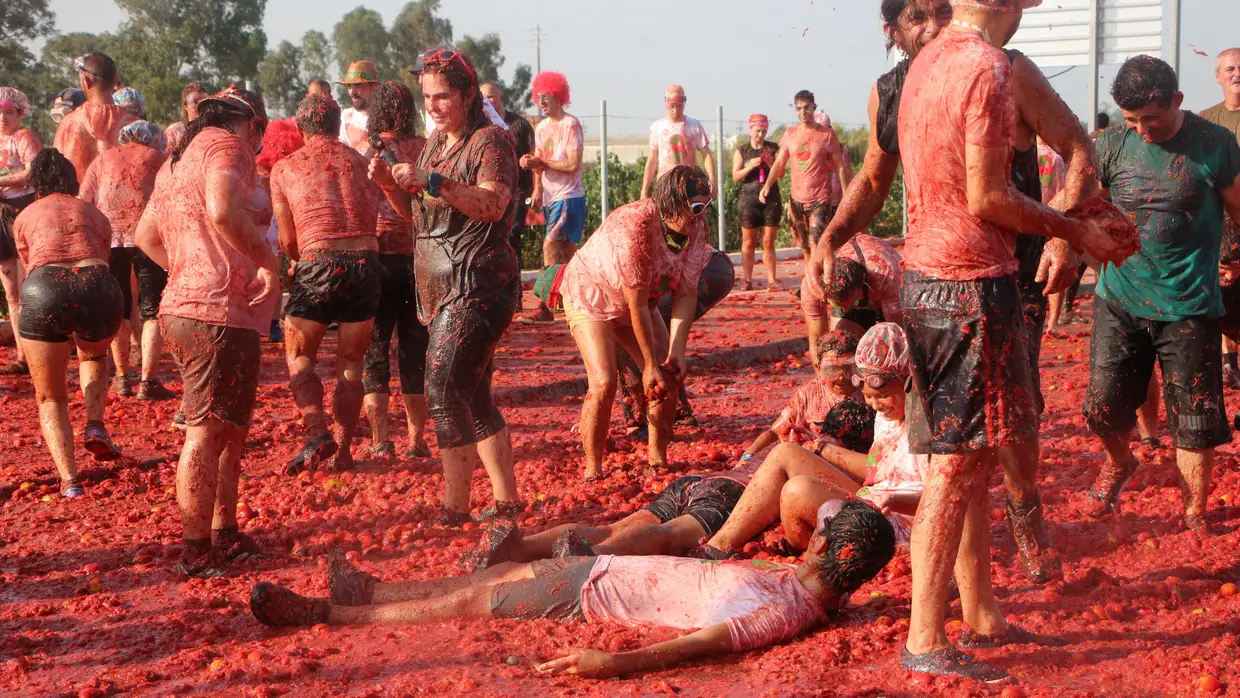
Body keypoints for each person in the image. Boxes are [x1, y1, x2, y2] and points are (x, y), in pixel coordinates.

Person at [816, 0, 1104, 587]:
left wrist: (1063, 239)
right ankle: (960, 599)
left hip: (1011, 275)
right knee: (954, 447)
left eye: (938, 12)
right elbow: (874, 178)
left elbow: (1076, 150)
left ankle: (1028, 539)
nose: (930, 27)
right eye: (916, 17)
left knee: (1013, 431)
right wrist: (830, 236)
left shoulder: (1004, 68)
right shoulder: (896, 88)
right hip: (940, 282)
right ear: (891, 30)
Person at [893, 0, 1135, 681]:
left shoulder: (928, 60)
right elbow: (988, 197)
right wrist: (1074, 231)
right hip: (970, 280)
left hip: (924, 277)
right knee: (959, 465)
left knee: (963, 454)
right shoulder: (988, 66)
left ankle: (981, 614)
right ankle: (924, 639)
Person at [250, 501, 896, 681]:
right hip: (604, 579)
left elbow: (705, 645)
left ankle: (329, 613)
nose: (812, 532)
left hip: (598, 594)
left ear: (831, 550)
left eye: (824, 532)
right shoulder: (807, 594)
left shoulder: (785, 609)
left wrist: (612, 665)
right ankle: (375, 591)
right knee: (491, 582)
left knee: (479, 598)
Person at [1084, 55, 1240, 536]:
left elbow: (1239, 208)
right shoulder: (1110, 145)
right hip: (1121, 297)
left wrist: (1233, 255)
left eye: (1152, 118)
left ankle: (1194, 512)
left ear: (1177, 101)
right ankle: (1121, 461)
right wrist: (1066, 243)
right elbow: (1078, 205)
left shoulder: (1215, 144)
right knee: (1103, 409)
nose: (1143, 130)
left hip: (1190, 303)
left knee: (1194, 418)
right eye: (1132, 120)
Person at [369, 48, 522, 525]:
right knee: (472, 395)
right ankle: (507, 502)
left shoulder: (490, 142)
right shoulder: (437, 143)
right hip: (443, 287)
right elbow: (418, 221)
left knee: (440, 389)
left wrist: (434, 181)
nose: (432, 106)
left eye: (443, 97)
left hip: (479, 284)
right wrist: (391, 188)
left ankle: (455, 508)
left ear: (468, 94)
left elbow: (493, 206)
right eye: (428, 97)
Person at [461, 397, 875, 572]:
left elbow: (764, 442)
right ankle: (592, 556)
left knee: (614, 523)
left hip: (702, 480)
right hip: (733, 498)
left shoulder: (795, 437)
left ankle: (521, 546)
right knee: (671, 535)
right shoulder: (828, 461)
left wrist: (748, 455)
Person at [135, 85, 278, 576]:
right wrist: (266, 263)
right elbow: (222, 210)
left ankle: (226, 534)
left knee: (230, 430)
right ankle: (195, 552)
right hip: (214, 311)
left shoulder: (177, 158)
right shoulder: (227, 146)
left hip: (190, 306)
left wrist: (189, 267)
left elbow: (144, 236)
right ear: (252, 123)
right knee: (205, 431)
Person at [707, 323, 925, 556]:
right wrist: (819, 447)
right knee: (786, 452)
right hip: (876, 499)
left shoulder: (927, 424)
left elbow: (945, 495)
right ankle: (719, 545)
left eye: (883, 396)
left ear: (909, 382)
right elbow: (878, 468)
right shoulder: (884, 415)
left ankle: (803, 554)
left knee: (797, 490)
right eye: (869, 397)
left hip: (904, 521)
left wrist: (893, 499)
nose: (875, 405)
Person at [558, 166, 713, 479]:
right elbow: (637, 303)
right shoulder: (636, 227)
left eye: (706, 207)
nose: (700, 216)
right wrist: (648, 366)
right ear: (672, 204)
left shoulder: (695, 229)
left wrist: (676, 353)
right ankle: (593, 467)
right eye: (696, 208)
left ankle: (657, 459)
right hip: (590, 294)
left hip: (639, 300)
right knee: (603, 382)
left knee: (667, 376)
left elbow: (686, 293)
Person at [271, 94, 382, 474]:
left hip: (318, 261)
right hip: (366, 263)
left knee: (300, 356)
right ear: (338, 126)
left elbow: (288, 242)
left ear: (300, 129)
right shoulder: (362, 162)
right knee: (352, 363)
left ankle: (316, 430)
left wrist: (298, 263)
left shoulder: (285, 168)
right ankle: (344, 450)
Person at [12, 148, 124, 498]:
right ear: (73, 180)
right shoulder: (94, 213)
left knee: (51, 398)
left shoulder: (25, 215)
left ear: (37, 184)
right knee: (92, 355)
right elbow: (103, 255)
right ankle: (95, 425)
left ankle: (70, 481)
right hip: (98, 285)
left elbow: (29, 263)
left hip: (45, 288)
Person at [361, 81, 431, 461]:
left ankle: (380, 438)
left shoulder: (367, 150)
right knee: (413, 350)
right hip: (418, 257)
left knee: (375, 349)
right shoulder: (424, 148)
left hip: (377, 254)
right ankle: (417, 440)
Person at [79, 120, 174, 400]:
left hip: (112, 239)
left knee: (118, 309)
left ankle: (121, 377)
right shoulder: (160, 158)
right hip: (149, 239)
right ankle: (149, 381)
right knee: (152, 310)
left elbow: (84, 200)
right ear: (154, 140)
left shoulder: (102, 158)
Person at [615, 248, 735, 431]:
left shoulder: (594, 287)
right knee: (643, 334)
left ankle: (646, 419)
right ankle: (668, 413)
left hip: (701, 269)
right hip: (714, 264)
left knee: (632, 335)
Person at [519, 72, 586, 324]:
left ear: (559, 96)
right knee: (568, 252)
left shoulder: (571, 125)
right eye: (538, 97)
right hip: (550, 197)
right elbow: (540, 163)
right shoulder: (542, 127)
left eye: (545, 97)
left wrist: (541, 161)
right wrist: (537, 188)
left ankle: (545, 306)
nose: (541, 102)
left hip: (567, 196)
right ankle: (576, 300)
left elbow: (572, 164)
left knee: (550, 245)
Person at [740, 330, 863, 459]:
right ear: (819, 369)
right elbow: (775, 432)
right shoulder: (809, 394)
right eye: (831, 370)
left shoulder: (870, 393)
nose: (841, 378)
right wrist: (747, 457)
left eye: (849, 369)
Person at [761, 91, 852, 256]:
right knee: (805, 247)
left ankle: (818, 280)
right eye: (799, 108)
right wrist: (767, 185)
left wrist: (846, 193)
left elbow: (840, 166)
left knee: (816, 243)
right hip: (797, 199)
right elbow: (780, 163)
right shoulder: (790, 134)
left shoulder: (827, 135)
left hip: (820, 198)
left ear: (814, 108)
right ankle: (811, 279)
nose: (803, 112)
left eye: (807, 107)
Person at [1201, 49, 1240, 389]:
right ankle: (1227, 363)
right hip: (1216, 224)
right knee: (1222, 291)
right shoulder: (1204, 122)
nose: (1237, 73)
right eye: (1230, 68)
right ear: (1218, 76)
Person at [803, 234, 902, 364]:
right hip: (866, 290)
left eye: (853, 302)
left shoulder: (886, 274)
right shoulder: (812, 284)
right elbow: (816, 339)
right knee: (840, 345)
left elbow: (898, 332)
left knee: (886, 349)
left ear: (862, 287)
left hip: (891, 291)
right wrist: (825, 377)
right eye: (835, 304)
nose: (845, 309)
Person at [0, 87, 42, 375]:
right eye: (0, 113)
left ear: (19, 114)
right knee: (11, 289)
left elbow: (32, 172)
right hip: (2, 213)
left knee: (31, 284)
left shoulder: (24, 138)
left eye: (8, 113)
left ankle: (40, 348)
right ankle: (22, 355)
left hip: (25, 209)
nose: (3, 118)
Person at [254, 118, 305, 344]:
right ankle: (271, 324)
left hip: (265, 223)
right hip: (271, 222)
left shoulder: (257, 166)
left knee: (266, 273)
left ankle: (267, 323)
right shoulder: (283, 169)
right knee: (273, 273)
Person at [479, 82, 535, 276]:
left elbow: (533, 156)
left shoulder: (519, 125)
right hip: (491, 189)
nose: (488, 100)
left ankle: (515, 286)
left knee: (512, 235)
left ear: (501, 98)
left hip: (518, 189)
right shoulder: (481, 126)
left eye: (492, 96)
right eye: (484, 97)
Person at [53, 53, 137, 182]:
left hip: (77, 201)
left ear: (86, 81)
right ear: (115, 80)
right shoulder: (133, 125)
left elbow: (57, 174)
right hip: (120, 200)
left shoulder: (69, 124)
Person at [733, 114, 782, 291]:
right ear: (750, 129)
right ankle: (747, 279)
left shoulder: (773, 148)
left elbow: (781, 173)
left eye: (764, 131)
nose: (760, 134)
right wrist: (749, 167)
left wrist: (771, 163)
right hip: (748, 200)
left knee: (768, 241)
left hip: (771, 199)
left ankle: (772, 279)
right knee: (748, 242)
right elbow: (735, 176)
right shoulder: (742, 150)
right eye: (757, 131)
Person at [640, 85, 715, 199]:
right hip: (665, 185)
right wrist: (644, 190)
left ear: (684, 103)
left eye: (679, 106)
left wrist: (713, 179)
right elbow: (652, 160)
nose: (676, 110)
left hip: (688, 184)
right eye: (672, 106)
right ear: (666, 103)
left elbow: (706, 154)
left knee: (693, 214)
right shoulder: (657, 127)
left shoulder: (694, 126)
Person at [337, 60, 380, 155]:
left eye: (358, 85)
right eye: (349, 86)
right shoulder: (345, 118)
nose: (352, 92)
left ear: (374, 86)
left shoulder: (387, 117)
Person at [164, 83, 208, 155]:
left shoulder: (213, 130)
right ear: (185, 106)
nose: (200, 105)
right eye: (195, 102)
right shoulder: (175, 130)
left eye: (204, 102)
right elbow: (165, 157)